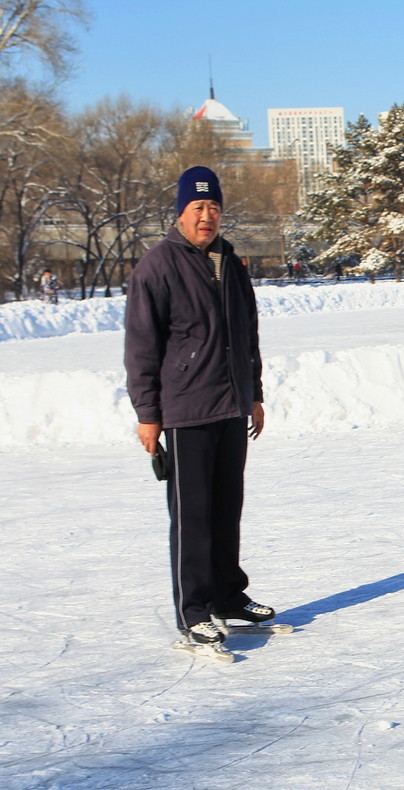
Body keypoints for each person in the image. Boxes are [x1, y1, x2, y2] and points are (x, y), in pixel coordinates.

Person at [124, 166, 275, 661]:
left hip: (230, 406)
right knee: (192, 517)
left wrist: (252, 393)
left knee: (227, 507)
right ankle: (194, 611)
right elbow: (142, 346)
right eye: (197, 208)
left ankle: (228, 595)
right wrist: (149, 414)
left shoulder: (231, 262)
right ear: (181, 213)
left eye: (213, 208)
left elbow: (246, 333)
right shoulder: (158, 266)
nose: (207, 217)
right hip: (186, 410)